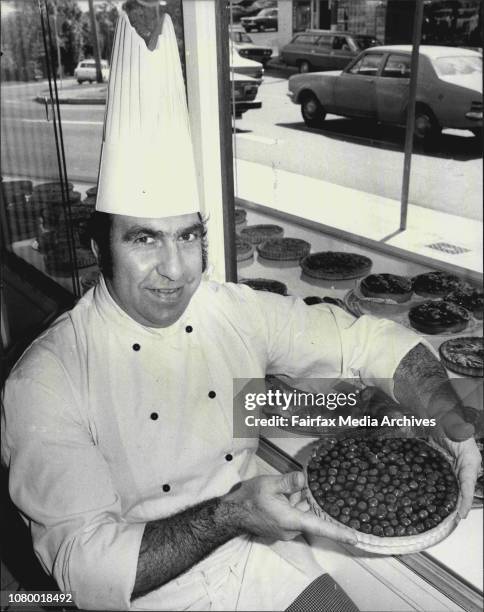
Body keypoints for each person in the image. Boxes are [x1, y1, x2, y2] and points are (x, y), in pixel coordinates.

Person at [1, 9, 480, 612]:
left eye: (188, 236)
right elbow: (82, 571)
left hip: (258, 548)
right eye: (144, 239)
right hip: (144, 590)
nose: (176, 269)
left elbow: (368, 342)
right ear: (98, 248)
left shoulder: (229, 310)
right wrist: (232, 512)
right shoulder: (45, 380)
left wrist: (454, 426)